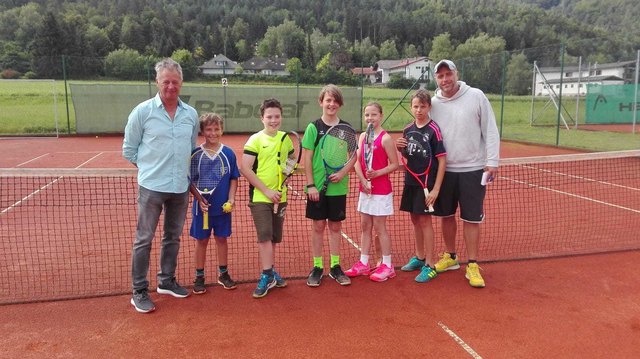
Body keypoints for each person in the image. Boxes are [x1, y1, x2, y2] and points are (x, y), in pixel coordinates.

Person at [123, 58, 199, 313]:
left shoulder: (190, 114)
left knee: (172, 238)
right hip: (152, 188)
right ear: (157, 82)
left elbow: (190, 148)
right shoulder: (142, 112)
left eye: (174, 82)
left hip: (180, 188)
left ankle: (166, 281)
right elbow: (129, 150)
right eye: (165, 81)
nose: (170, 86)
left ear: (181, 83)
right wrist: (149, 170)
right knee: (143, 239)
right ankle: (139, 291)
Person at [430, 59, 500, 288]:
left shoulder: (476, 96)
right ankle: (450, 256)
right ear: (436, 80)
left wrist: (492, 161)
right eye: (440, 76)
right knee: (446, 216)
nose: (445, 79)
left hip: (473, 169)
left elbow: (490, 129)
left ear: (456, 74)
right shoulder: (433, 103)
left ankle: (472, 264)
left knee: (471, 219)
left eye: (448, 74)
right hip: (444, 171)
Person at [303, 84, 357, 287]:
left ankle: (335, 266)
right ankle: (317, 267)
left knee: (335, 226)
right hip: (317, 187)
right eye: (328, 100)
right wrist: (310, 185)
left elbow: (353, 156)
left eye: (335, 101)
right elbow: (307, 159)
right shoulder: (313, 128)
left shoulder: (346, 129)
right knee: (318, 226)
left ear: (339, 104)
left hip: (338, 188)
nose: (331, 104)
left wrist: (343, 172)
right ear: (321, 102)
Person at [395, 90, 447, 283]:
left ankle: (430, 265)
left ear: (429, 107)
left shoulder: (434, 130)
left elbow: (442, 161)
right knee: (415, 219)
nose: (419, 110)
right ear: (411, 107)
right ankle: (419, 256)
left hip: (428, 183)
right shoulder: (408, 130)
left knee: (425, 222)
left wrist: (436, 189)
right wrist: (400, 147)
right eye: (415, 106)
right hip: (411, 181)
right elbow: (408, 156)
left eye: (423, 106)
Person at [239, 98, 289, 298]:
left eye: (277, 116)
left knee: (274, 237)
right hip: (260, 197)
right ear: (262, 118)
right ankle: (267, 274)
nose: (274, 120)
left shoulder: (285, 138)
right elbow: (245, 168)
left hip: (280, 196)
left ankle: (270, 270)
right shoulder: (255, 140)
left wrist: (285, 175)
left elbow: (290, 160)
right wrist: (267, 191)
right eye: (269, 117)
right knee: (265, 236)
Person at [344, 102, 399, 282]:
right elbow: (357, 161)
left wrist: (377, 174)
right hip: (365, 189)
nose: (370, 118)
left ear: (381, 116)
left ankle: (388, 265)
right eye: (367, 115)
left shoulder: (385, 139)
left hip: (381, 190)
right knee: (365, 226)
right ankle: (364, 262)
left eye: (373, 115)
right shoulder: (362, 137)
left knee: (380, 228)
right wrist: (363, 180)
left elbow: (394, 164)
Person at [189, 113, 239, 294]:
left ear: (222, 130)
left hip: (222, 209)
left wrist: (231, 199)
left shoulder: (228, 153)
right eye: (209, 129)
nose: (213, 133)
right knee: (201, 241)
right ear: (202, 131)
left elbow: (234, 178)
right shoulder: (195, 154)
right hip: (200, 209)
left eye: (216, 129)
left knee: (221, 239)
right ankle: (199, 276)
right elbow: (190, 181)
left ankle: (223, 274)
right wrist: (198, 199)